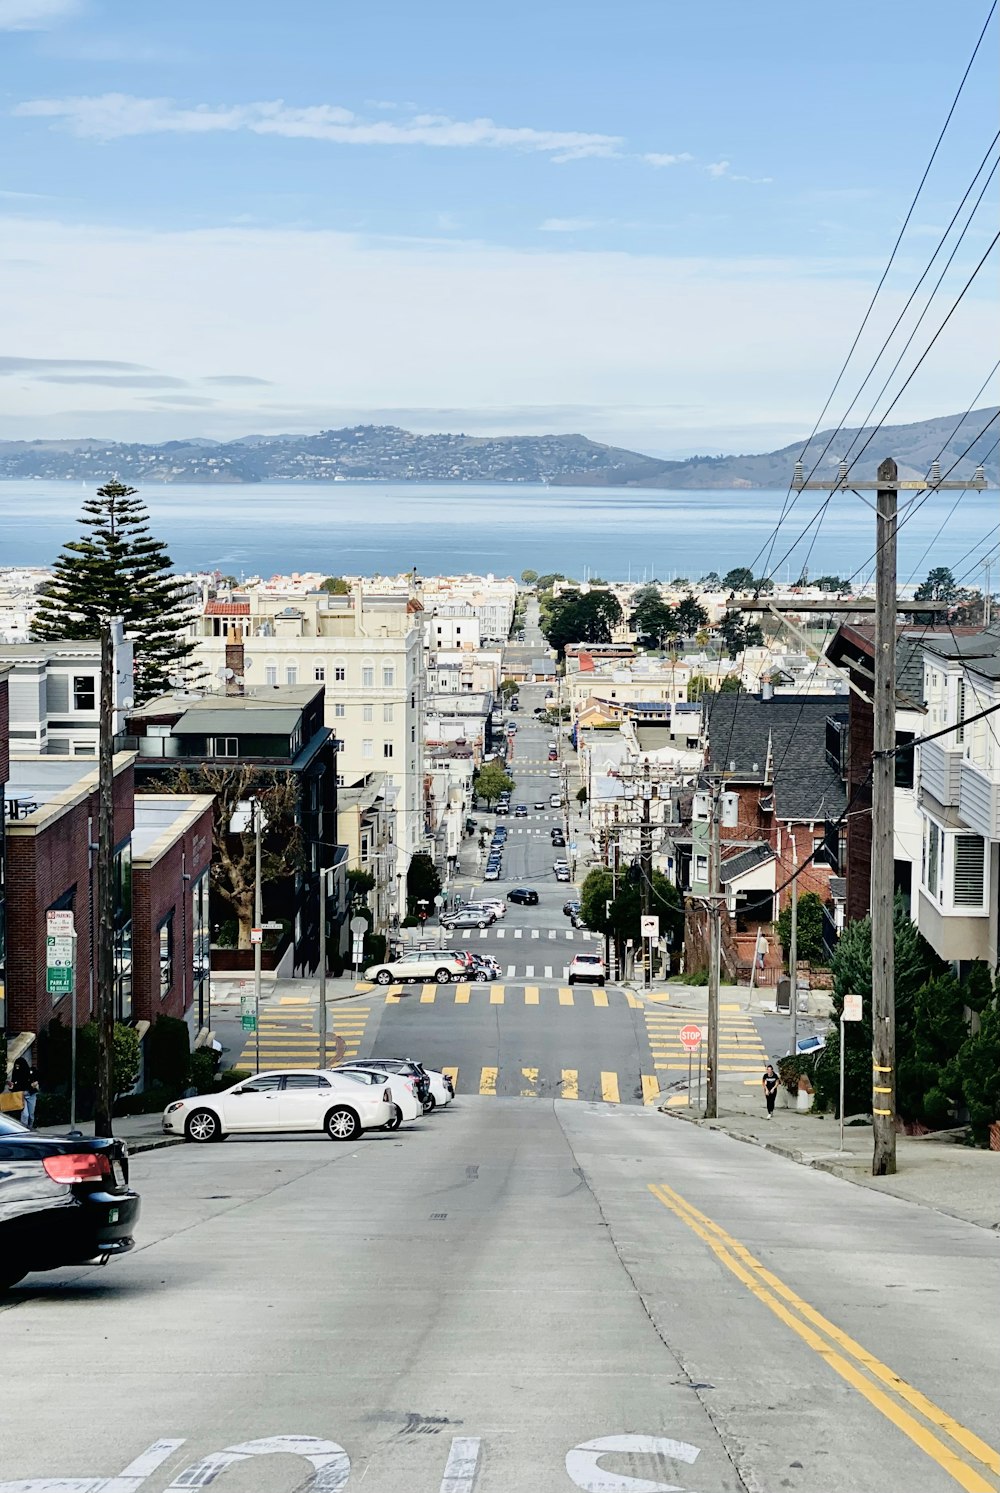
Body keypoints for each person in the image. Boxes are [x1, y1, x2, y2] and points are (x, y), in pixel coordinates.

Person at [11, 1055, 39, 1130]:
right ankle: (23, 1130)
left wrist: (34, 1084)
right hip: (21, 1096)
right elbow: (14, 1084)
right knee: (25, 1115)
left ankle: (30, 1128)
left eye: (18, 1066)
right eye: (16, 1066)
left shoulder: (30, 1072)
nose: (17, 1068)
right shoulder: (16, 1073)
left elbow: (36, 1080)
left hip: (31, 1095)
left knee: (31, 1115)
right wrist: (11, 1086)